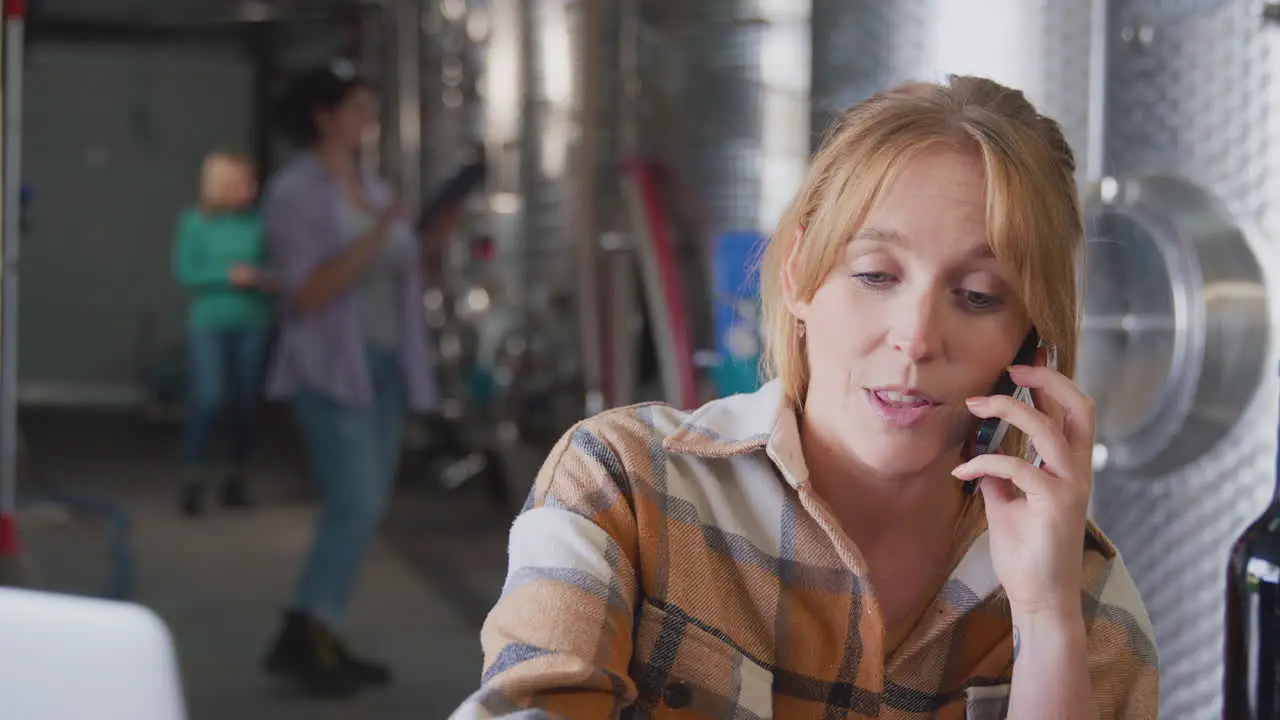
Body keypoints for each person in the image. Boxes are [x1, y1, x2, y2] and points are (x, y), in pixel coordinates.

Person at [452, 75, 1160, 719]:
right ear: (799, 276)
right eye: (876, 275)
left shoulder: (1084, 593)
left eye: (977, 296)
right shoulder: (623, 485)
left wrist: (1044, 622)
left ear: (1028, 347)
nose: (915, 338)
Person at [260, 60, 459, 698]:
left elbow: (403, 278)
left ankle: (318, 629)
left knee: (364, 507)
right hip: (330, 369)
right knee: (355, 503)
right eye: (357, 110)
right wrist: (378, 236)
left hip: (385, 367)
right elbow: (307, 293)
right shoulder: (297, 193)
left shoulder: (373, 189)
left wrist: (432, 240)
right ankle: (304, 634)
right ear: (324, 115)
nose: (368, 121)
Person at [172, 152, 273, 516]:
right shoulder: (195, 223)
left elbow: (277, 265)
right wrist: (227, 277)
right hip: (209, 323)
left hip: (252, 321)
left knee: (244, 404)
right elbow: (185, 272)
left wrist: (262, 278)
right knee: (209, 398)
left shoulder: (259, 223)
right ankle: (193, 477)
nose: (251, 189)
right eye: (244, 182)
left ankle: (235, 479)